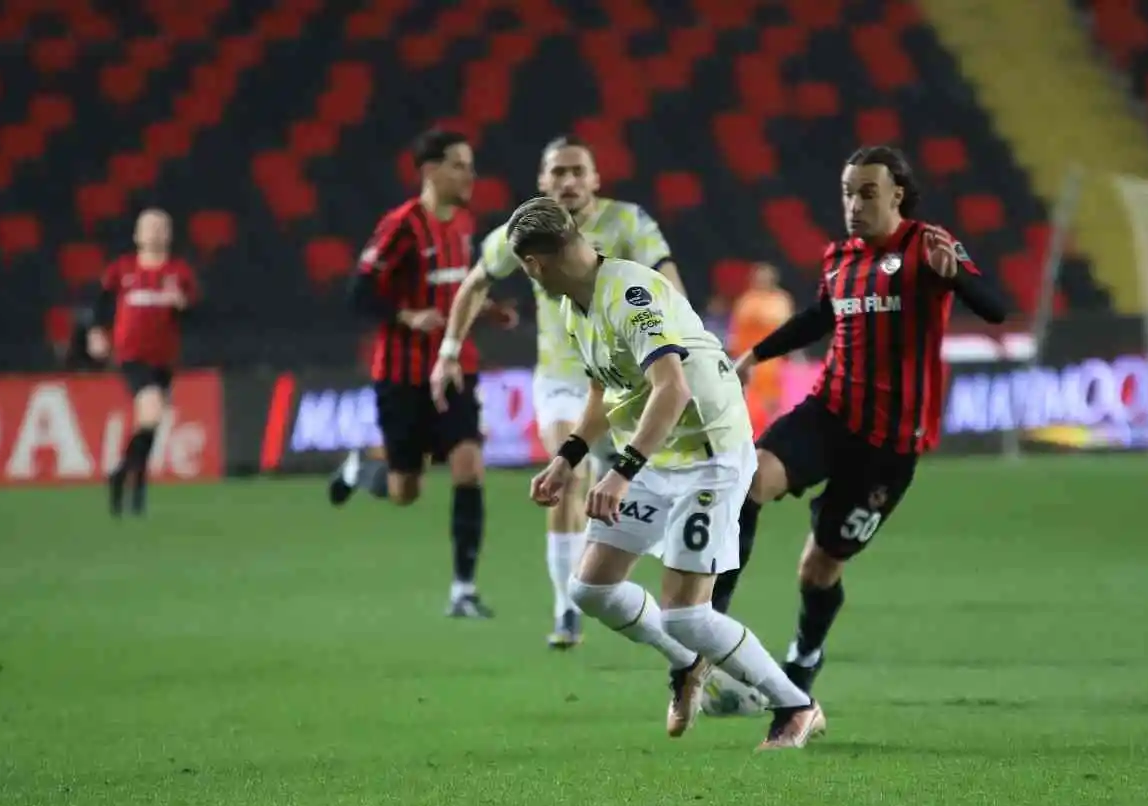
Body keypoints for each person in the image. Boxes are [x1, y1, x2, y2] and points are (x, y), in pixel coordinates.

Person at [434, 196, 825, 749]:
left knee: (685, 615)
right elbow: (606, 389)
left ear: (535, 263)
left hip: (708, 453)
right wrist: (568, 458)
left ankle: (795, 706)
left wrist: (620, 473)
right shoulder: (578, 305)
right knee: (590, 588)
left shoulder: (629, 294)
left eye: (526, 268)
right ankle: (689, 664)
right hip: (655, 453)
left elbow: (673, 388)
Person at [711, 145, 1009, 696]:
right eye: (848, 192)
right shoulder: (838, 257)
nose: (854, 204)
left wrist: (956, 280)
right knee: (748, 478)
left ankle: (804, 656)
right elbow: (818, 317)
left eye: (867, 192)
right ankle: (709, 626)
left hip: (889, 446)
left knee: (817, 571)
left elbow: (995, 308)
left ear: (897, 193)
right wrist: (754, 355)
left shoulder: (930, 246)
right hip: (830, 412)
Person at [443, 134, 685, 649]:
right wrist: (448, 350)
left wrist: (686, 340)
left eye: (578, 171)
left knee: (623, 487)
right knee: (567, 474)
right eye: (558, 173)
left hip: (624, 380)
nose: (569, 181)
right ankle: (566, 609)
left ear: (596, 179)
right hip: (560, 378)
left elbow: (668, 281)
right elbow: (476, 280)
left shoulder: (628, 223)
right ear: (542, 181)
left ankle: (656, 598)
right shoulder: (529, 230)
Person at [325, 128, 515, 619]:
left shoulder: (467, 225)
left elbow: (461, 290)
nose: (470, 175)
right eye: (459, 165)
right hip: (402, 376)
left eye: (471, 165)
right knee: (404, 491)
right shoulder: (401, 226)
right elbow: (358, 294)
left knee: (469, 465)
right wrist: (407, 316)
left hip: (454, 368)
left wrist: (488, 310)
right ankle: (360, 468)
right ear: (430, 171)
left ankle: (463, 590)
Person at [88, 208, 199, 517]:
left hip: (163, 359)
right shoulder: (122, 270)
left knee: (149, 427)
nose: (155, 232)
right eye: (148, 227)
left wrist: (183, 306)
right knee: (150, 413)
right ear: (137, 235)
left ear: (169, 234)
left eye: (161, 227)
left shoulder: (179, 273)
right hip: (132, 357)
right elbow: (100, 303)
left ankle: (137, 489)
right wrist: (96, 332)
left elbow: (194, 316)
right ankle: (120, 473)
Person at [727, 262, 795, 435]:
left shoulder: (780, 301)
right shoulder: (746, 300)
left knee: (770, 400)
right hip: (747, 359)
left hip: (771, 361)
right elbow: (736, 329)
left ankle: (769, 435)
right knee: (747, 401)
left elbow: (787, 327)